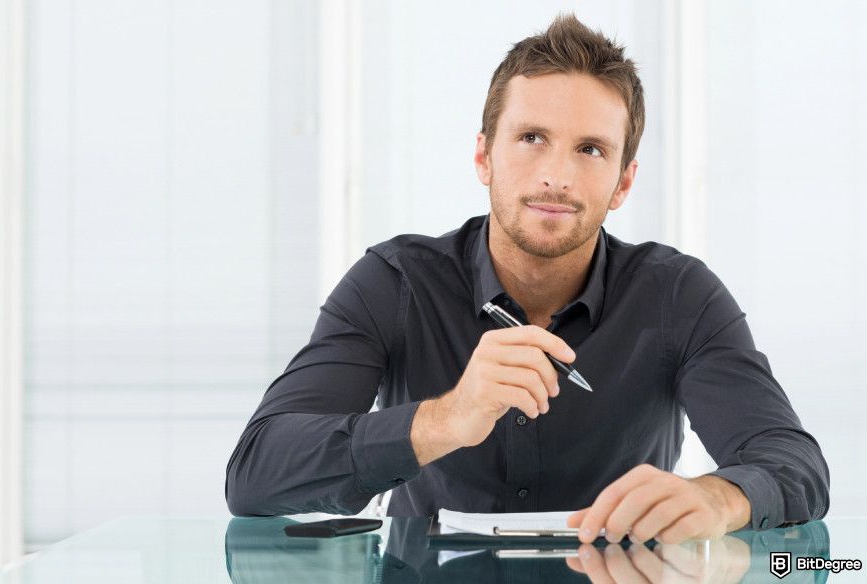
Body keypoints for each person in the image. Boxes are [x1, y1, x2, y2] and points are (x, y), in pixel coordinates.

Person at [225, 13, 829, 545]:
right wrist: (445, 419)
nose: (557, 176)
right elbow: (256, 473)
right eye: (532, 138)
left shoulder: (679, 295)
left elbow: (793, 462)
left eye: (590, 149)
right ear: (484, 155)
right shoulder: (394, 282)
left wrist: (717, 498)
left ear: (623, 182)